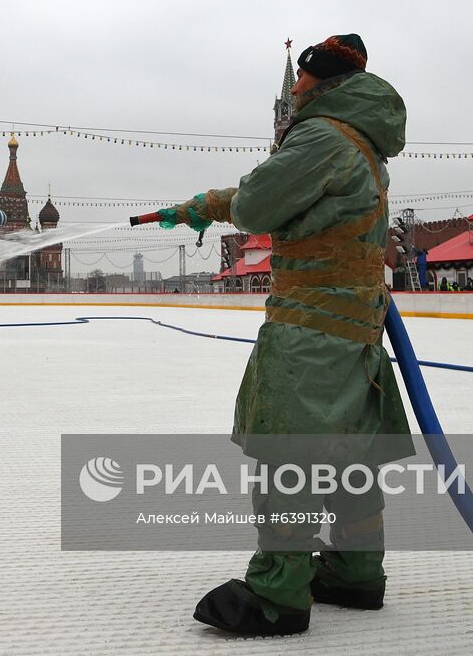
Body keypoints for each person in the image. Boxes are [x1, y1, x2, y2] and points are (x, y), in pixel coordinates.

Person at [158, 34, 413, 636]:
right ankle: (354, 570)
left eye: (301, 78)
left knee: (288, 455)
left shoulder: (321, 134)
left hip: (309, 329)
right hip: (355, 329)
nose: (294, 88)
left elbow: (258, 203)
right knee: (351, 455)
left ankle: (276, 593)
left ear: (318, 80)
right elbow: (280, 200)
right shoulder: (362, 143)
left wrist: (212, 203)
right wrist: (210, 204)